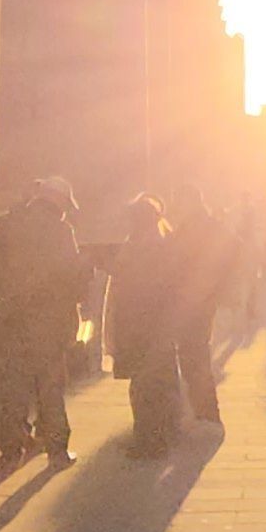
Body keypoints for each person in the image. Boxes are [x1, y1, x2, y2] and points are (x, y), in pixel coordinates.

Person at [0, 177, 83, 468]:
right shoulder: (61, 230)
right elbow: (71, 277)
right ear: (59, 202)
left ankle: (11, 448)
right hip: (49, 323)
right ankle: (57, 449)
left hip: (12, 319)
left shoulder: (9, 224)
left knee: (14, 387)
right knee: (50, 387)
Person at [105, 195, 186, 461]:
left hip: (136, 326)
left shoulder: (134, 249)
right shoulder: (166, 245)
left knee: (142, 387)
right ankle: (162, 434)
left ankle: (148, 440)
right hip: (159, 327)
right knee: (158, 383)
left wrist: (112, 333)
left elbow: (118, 291)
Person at [167, 182, 241, 432]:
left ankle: (207, 412)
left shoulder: (196, 227)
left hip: (195, 300)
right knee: (193, 354)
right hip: (199, 299)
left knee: (194, 355)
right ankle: (203, 410)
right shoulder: (206, 225)